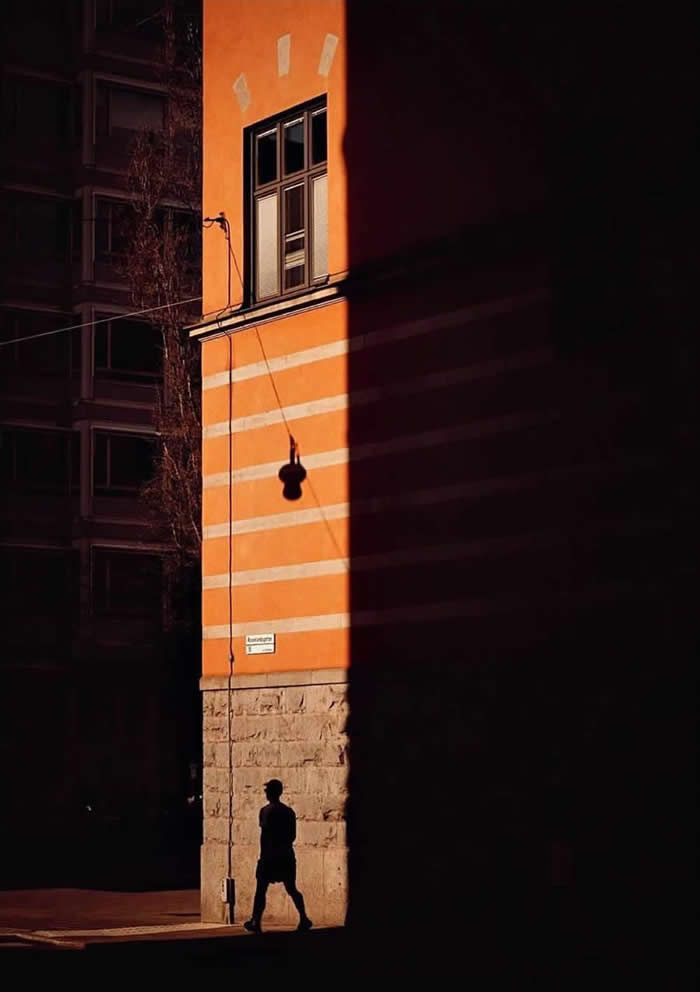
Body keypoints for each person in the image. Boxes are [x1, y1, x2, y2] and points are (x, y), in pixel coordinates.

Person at [244, 779, 313, 933]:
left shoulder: (265, 811)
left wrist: (264, 856)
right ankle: (304, 918)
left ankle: (256, 921)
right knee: (291, 888)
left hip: (269, 857)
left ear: (271, 793)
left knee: (261, 889)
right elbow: (292, 836)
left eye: (267, 790)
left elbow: (265, 835)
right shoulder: (289, 812)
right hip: (286, 856)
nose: (265, 792)